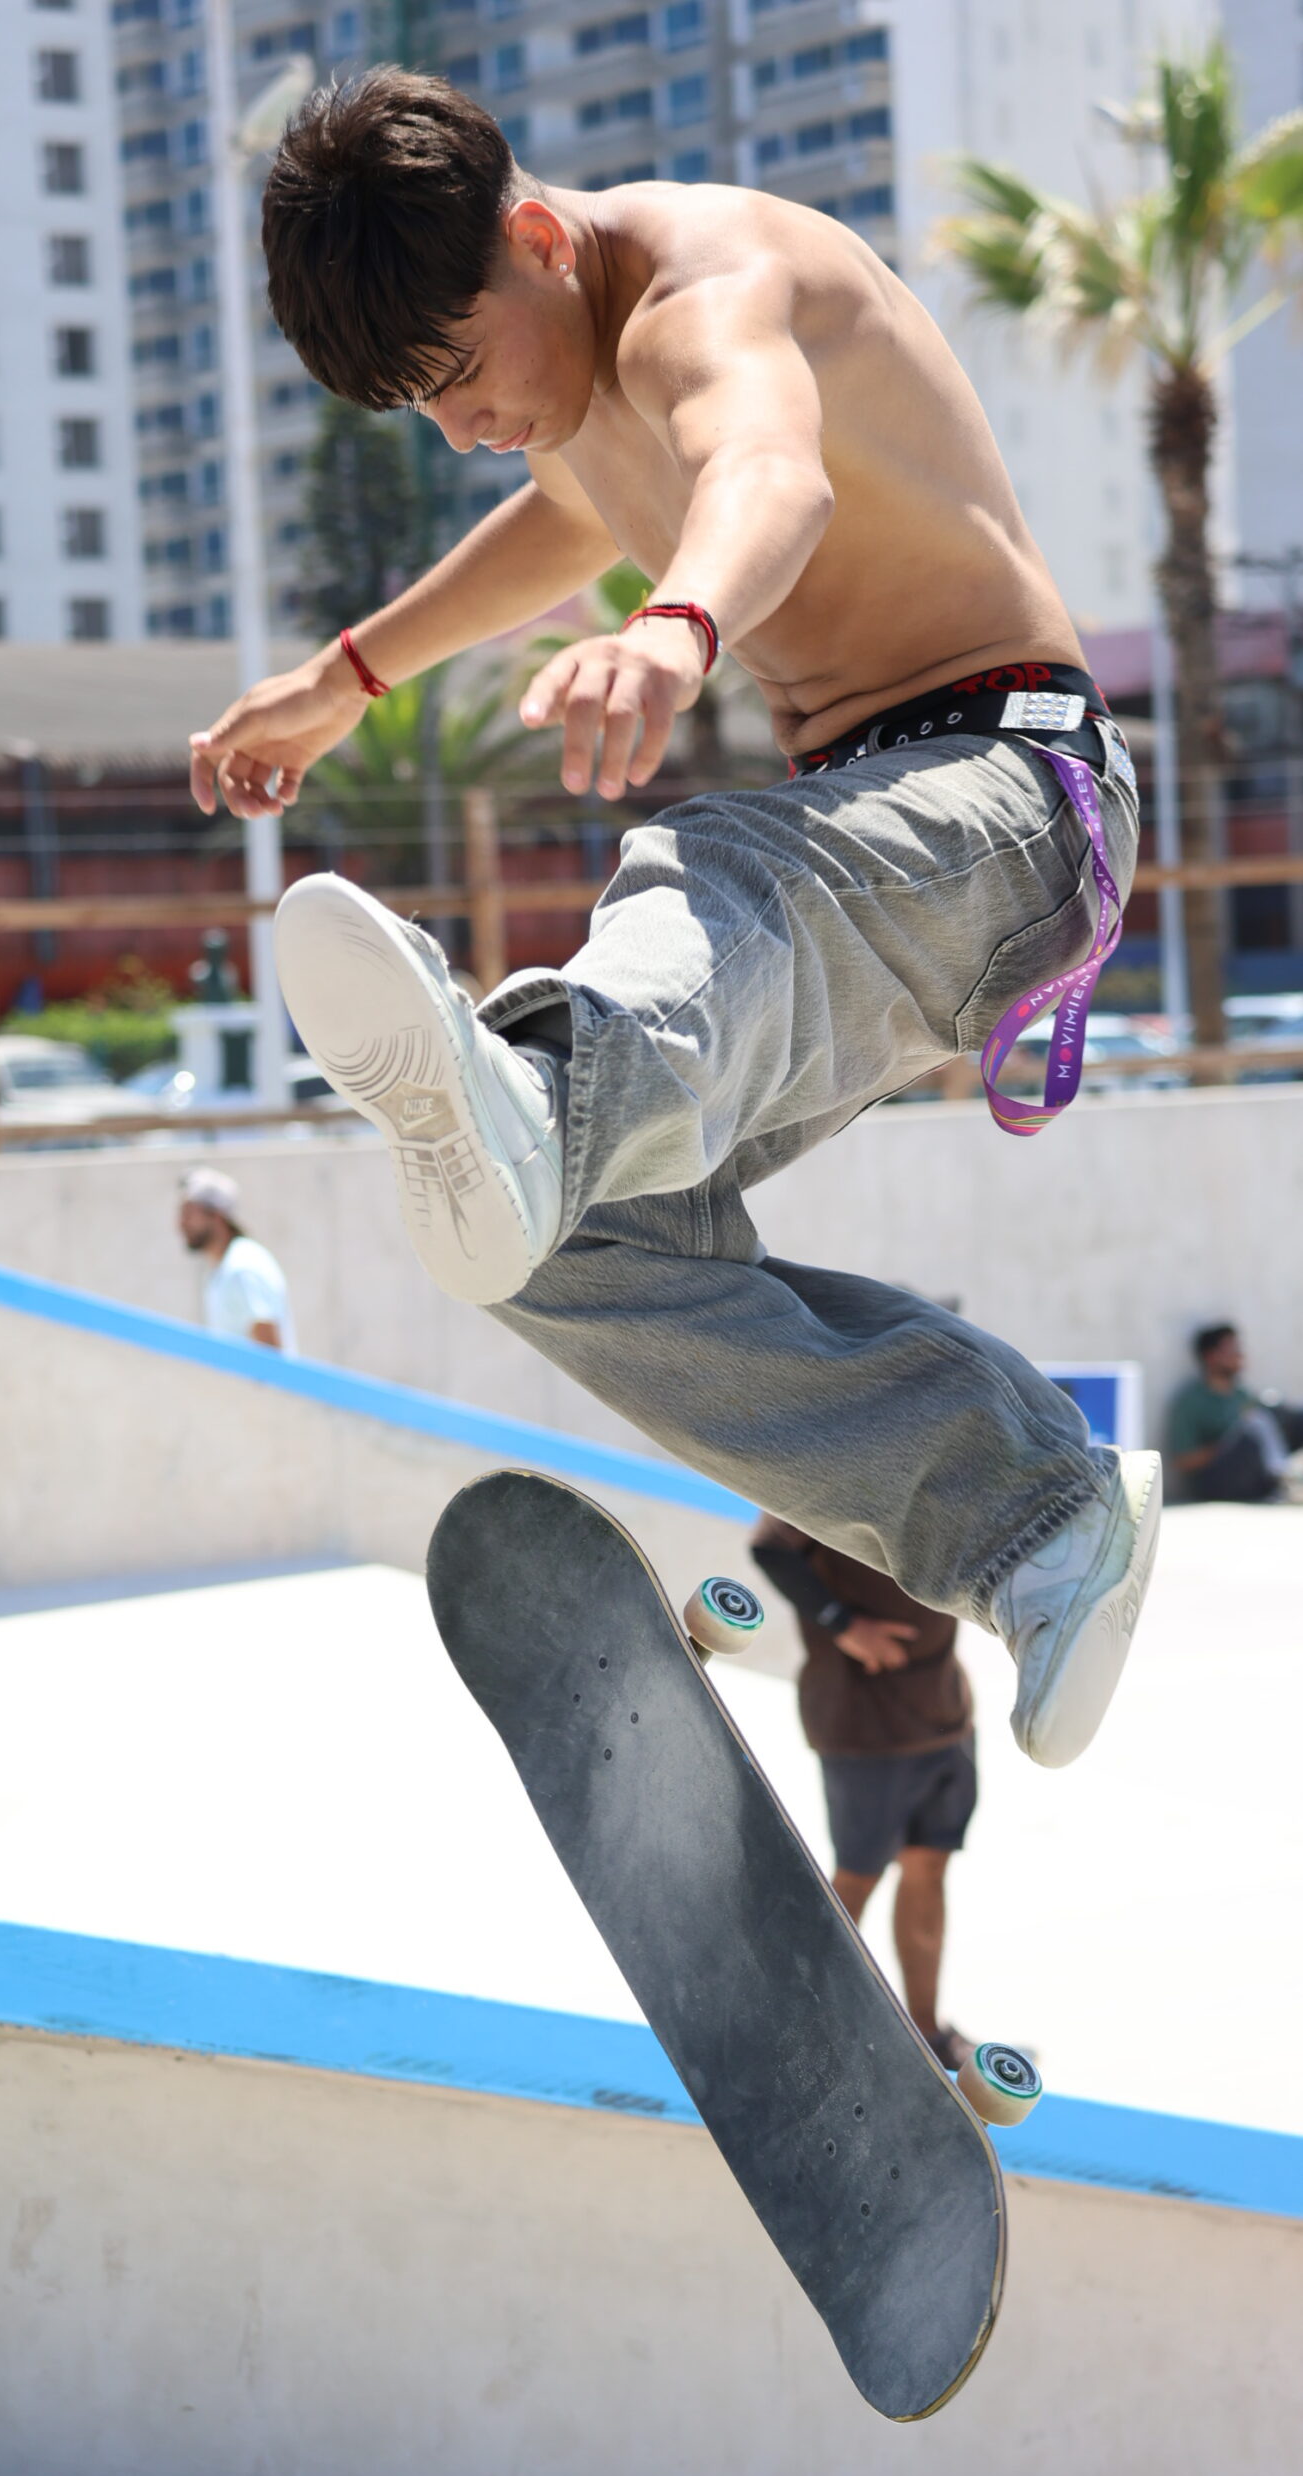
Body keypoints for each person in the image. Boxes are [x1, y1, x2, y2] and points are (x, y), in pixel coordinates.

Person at [189, 70, 1161, 1771]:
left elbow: (766, 471)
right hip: (900, 853)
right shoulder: (573, 376)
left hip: (1012, 795)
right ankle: (1032, 1514)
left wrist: (679, 630)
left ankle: (543, 1083)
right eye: (416, 407)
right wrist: (350, 676)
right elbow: (560, 517)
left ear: (538, 238)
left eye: (458, 373)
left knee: (712, 866)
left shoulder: (711, 293)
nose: (460, 425)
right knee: (561, 1239)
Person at [750, 1513, 978, 2071]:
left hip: (943, 1713)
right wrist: (843, 1622)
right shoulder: (845, 1453)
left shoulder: (955, 1457)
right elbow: (770, 1549)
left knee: (929, 1868)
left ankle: (925, 2031)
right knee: (857, 1878)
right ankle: (792, 2032)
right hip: (862, 1724)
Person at [1166, 1323, 1303, 1504]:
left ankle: (1284, 1479)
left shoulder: (1241, 1394)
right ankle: (1286, 1479)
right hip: (1217, 1483)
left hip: (1253, 1475)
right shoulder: (1192, 1400)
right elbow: (1183, 1460)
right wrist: (1228, 1444)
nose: (1240, 1355)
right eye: (1232, 1350)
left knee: (1284, 1412)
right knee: (1255, 1425)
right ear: (1211, 1356)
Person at [178, 1167, 297, 1352]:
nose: (181, 1222)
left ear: (216, 1216)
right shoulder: (225, 1267)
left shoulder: (242, 1267)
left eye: (189, 1213)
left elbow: (270, 1354)